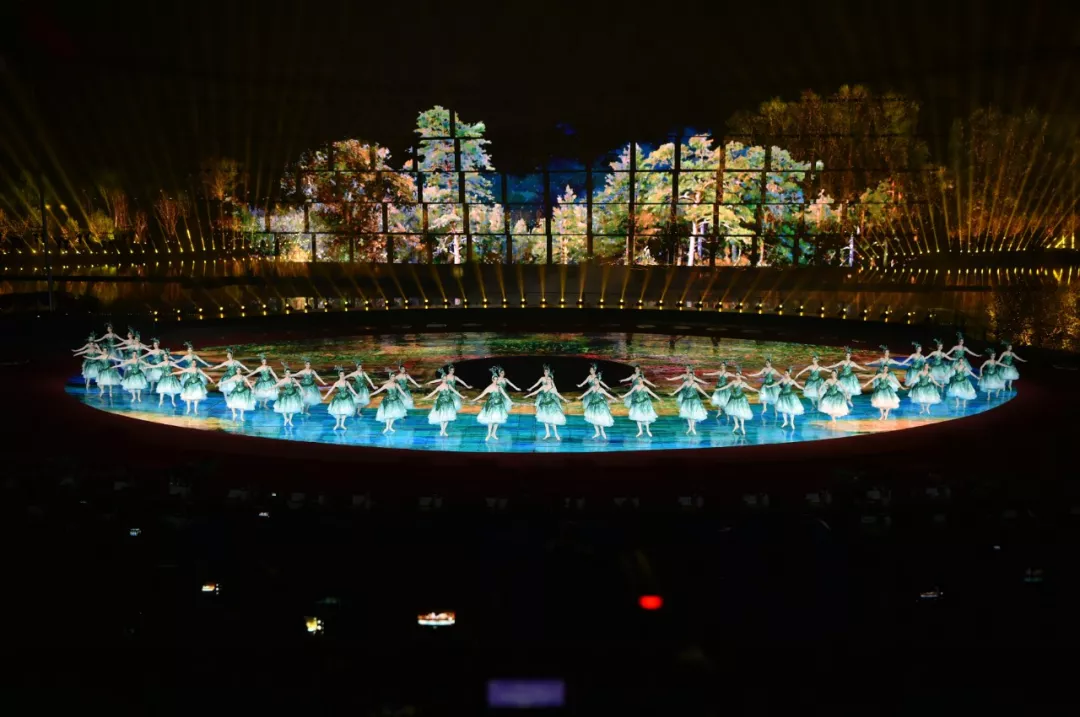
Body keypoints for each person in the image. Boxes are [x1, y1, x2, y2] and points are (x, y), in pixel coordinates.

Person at [524, 365, 569, 441]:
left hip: (551, 405)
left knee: (552, 421)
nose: (547, 380)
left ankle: (556, 434)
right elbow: (536, 391)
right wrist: (528, 395)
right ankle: (547, 433)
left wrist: (565, 399)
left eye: (549, 379)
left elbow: (558, 395)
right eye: (547, 379)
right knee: (545, 419)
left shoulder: (552, 388)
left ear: (551, 380)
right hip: (544, 405)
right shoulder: (543, 386)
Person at [472, 367, 514, 441]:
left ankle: (493, 433)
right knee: (490, 421)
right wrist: (474, 399)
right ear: (492, 380)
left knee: (497, 420)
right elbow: (482, 395)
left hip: (499, 405)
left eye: (497, 379)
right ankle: (489, 434)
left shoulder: (499, 387)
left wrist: (510, 401)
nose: (496, 381)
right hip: (492, 406)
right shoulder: (490, 387)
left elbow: (505, 394)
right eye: (494, 379)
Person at [712, 368, 759, 434]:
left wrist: (757, 390)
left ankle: (742, 427)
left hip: (740, 399)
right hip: (734, 398)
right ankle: (736, 425)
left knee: (740, 413)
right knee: (734, 412)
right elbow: (726, 386)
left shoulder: (743, 383)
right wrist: (719, 389)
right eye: (736, 375)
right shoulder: (733, 382)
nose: (737, 376)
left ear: (740, 375)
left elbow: (750, 388)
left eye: (738, 375)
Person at [422, 370, 466, 437]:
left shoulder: (449, 386)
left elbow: (455, 391)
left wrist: (462, 396)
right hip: (441, 403)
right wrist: (425, 398)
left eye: (446, 379)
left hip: (449, 403)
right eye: (444, 379)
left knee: (447, 417)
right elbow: (432, 393)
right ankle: (442, 430)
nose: (445, 380)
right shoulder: (439, 387)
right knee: (442, 417)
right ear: (442, 380)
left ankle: (443, 430)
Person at [577, 370, 618, 440]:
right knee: (593, 419)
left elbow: (607, 394)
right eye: (594, 381)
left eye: (596, 381)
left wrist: (614, 398)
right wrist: (580, 396)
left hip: (600, 405)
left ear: (598, 381)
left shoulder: (601, 389)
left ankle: (602, 431)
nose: (594, 382)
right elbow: (587, 392)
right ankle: (597, 432)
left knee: (599, 419)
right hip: (592, 405)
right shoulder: (592, 388)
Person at [670, 368, 710, 435]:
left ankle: (693, 428)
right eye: (689, 375)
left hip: (694, 401)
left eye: (690, 375)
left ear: (693, 376)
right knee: (688, 414)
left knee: (693, 414)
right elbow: (680, 388)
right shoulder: (686, 383)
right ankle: (690, 427)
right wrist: (673, 393)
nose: (689, 376)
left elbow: (701, 391)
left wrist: (707, 395)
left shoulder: (695, 384)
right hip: (686, 400)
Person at [371, 370, 410, 434]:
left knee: (393, 415)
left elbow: (402, 392)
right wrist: (371, 394)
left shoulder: (396, 384)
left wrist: (407, 397)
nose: (393, 378)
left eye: (394, 376)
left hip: (395, 401)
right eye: (392, 376)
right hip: (388, 401)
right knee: (388, 415)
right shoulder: (386, 385)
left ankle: (390, 427)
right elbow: (378, 391)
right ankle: (386, 427)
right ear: (390, 377)